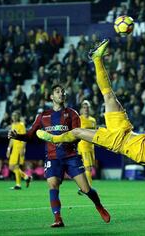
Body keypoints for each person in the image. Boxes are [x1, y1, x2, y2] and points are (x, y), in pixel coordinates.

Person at [36, 39, 145, 225]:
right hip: (125, 128)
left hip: (117, 143)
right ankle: (96, 58)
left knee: (76, 132)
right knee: (109, 95)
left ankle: (54, 138)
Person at [8, 84, 110, 227]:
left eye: (62, 91)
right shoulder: (43, 116)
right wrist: (17, 136)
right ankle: (58, 218)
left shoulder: (72, 114)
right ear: (51, 97)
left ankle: (99, 206)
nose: (61, 93)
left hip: (71, 156)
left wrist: (60, 140)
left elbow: (78, 135)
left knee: (86, 189)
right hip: (52, 157)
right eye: (57, 91)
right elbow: (31, 135)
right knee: (53, 184)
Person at [6, 111, 32, 190]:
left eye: (15, 115)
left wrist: (23, 149)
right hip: (14, 149)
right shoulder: (13, 125)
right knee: (11, 167)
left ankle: (18, 185)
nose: (13, 117)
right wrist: (8, 149)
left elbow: (25, 138)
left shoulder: (21, 125)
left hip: (19, 148)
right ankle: (26, 177)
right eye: (12, 115)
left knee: (16, 166)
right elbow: (11, 139)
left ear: (18, 117)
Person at [77, 100, 97, 186]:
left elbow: (95, 133)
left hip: (91, 146)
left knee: (89, 168)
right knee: (88, 167)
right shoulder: (79, 119)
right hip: (83, 146)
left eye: (87, 107)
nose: (86, 109)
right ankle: (89, 188)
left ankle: (83, 187)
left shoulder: (93, 120)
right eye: (84, 108)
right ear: (81, 109)